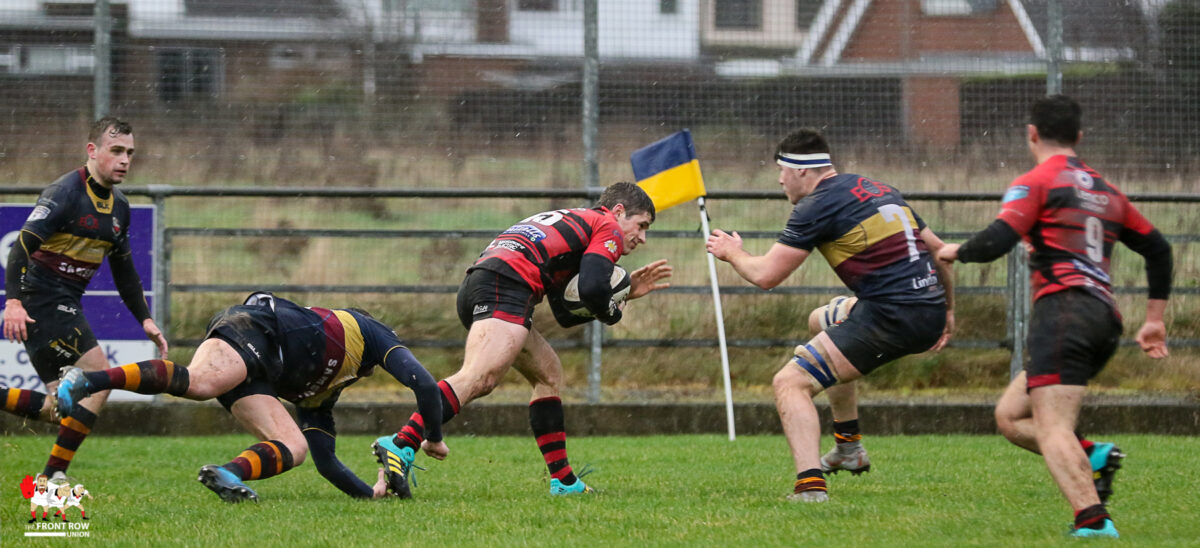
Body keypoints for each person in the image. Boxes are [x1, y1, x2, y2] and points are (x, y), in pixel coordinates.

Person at [937, 95, 1172, 539]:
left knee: (1052, 426)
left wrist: (957, 251)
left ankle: (1093, 522)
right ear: (1079, 137)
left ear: (1031, 134)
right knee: (1011, 416)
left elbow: (999, 238)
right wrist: (1154, 318)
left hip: (1063, 312)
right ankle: (1093, 456)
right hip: (1102, 318)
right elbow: (1158, 248)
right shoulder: (1105, 190)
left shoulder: (1037, 181)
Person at [372, 182, 673, 496]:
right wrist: (615, 310)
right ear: (618, 211)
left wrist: (623, 291)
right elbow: (596, 289)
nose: (642, 237)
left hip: (483, 281)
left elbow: (566, 314)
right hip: (507, 284)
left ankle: (564, 481)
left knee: (548, 373)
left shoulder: (574, 224)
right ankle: (401, 443)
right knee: (479, 377)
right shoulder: (607, 226)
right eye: (641, 225)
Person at [706, 128, 954, 502]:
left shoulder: (817, 205)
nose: (779, 179)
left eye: (781, 170)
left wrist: (731, 252)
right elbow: (940, 251)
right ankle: (849, 448)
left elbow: (766, 276)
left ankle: (810, 487)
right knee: (821, 320)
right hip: (927, 308)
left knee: (790, 383)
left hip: (892, 316)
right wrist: (948, 309)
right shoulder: (876, 188)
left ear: (801, 171)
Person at [56, 292, 444, 502]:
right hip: (259, 329)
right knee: (199, 384)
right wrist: (433, 439)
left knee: (294, 448)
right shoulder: (370, 332)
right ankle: (87, 381)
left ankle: (229, 473)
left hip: (260, 366)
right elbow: (426, 386)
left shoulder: (322, 395)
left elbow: (327, 464)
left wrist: (371, 496)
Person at [2, 117, 168, 481]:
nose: (125, 160)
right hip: (41, 300)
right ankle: (55, 474)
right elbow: (20, 249)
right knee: (96, 374)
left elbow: (124, 271)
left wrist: (145, 319)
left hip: (63, 301)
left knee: (59, 409)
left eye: (130, 153)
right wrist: (13, 302)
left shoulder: (120, 206)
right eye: (117, 151)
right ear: (92, 151)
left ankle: (52, 474)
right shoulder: (64, 193)